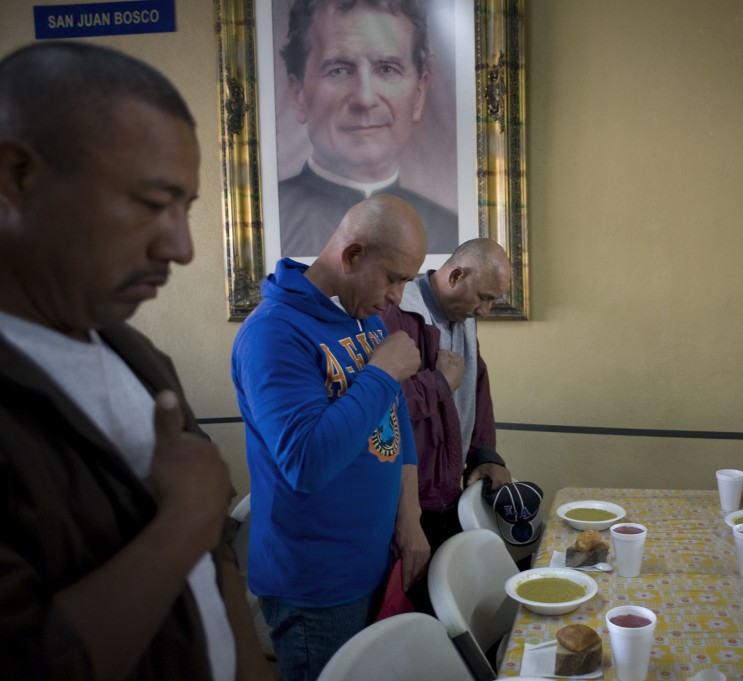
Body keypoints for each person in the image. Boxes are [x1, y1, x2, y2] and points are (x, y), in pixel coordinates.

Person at [0, 42, 272, 681]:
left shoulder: (136, 354)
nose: (180, 247)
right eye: (153, 204)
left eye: (187, 209)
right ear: (16, 176)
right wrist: (183, 520)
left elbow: (216, 561)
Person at [231, 194, 432, 681]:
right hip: (315, 585)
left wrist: (410, 517)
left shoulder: (359, 315)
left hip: (374, 561)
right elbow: (306, 461)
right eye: (393, 278)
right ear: (352, 255)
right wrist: (383, 373)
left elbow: (395, 418)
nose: (397, 298)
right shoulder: (272, 333)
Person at [277, 0, 459, 257]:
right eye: (339, 70)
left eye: (386, 69)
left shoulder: (451, 233)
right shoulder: (269, 222)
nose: (364, 98)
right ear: (298, 95)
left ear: (419, 93)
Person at [381, 238, 514, 559]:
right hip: (406, 502)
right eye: (483, 298)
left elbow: (476, 388)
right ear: (455, 276)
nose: (485, 310)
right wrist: (439, 383)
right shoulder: (395, 313)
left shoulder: (465, 318)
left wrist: (484, 455)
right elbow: (383, 408)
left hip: (447, 492)